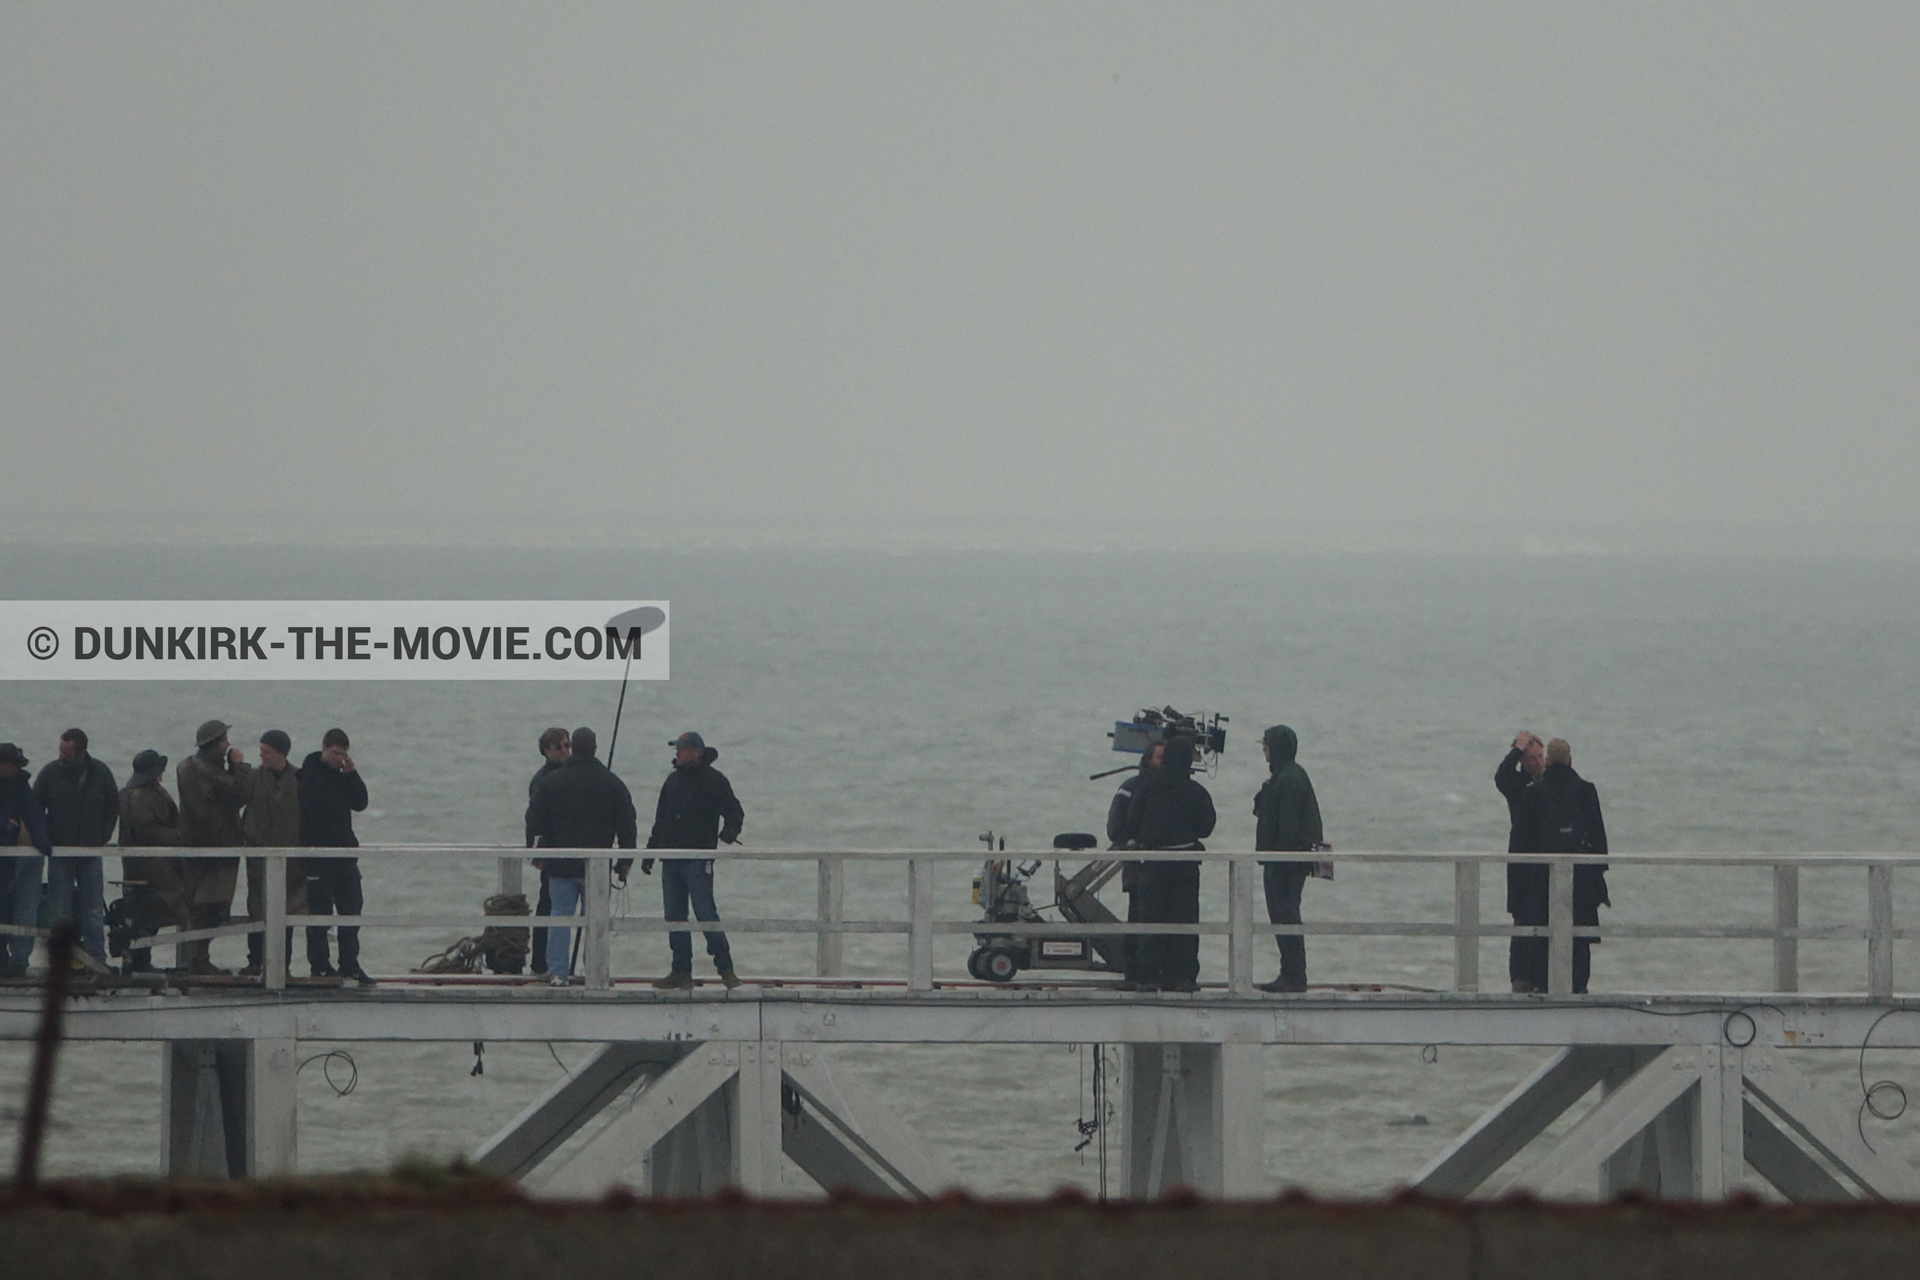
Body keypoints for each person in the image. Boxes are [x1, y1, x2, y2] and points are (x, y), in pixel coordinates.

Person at [526, 726, 637, 985]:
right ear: (595, 748)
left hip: (561, 866)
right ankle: (595, 971)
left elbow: (534, 820)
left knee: (560, 918)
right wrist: (624, 862)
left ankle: (557, 973)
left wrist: (536, 853)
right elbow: (627, 824)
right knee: (596, 922)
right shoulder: (612, 782)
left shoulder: (551, 782)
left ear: (573, 747)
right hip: (596, 868)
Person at [642, 731, 744, 990]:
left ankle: (726, 969)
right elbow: (660, 821)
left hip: (699, 859)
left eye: (682, 748)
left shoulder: (714, 780)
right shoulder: (672, 781)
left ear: (697, 751)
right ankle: (680, 971)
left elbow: (734, 811)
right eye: (677, 748)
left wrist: (729, 833)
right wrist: (651, 853)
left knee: (705, 912)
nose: (677, 753)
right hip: (671, 858)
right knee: (674, 915)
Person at [1508, 737, 1610, 994]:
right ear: (1571, 760)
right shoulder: (1587, 791)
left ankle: (1544, 986)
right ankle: (1578, 988)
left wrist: (1519, 889)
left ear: (1549, 762)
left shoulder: (1533, 793)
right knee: (1579, 937)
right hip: (1581, 879)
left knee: (1543, 938)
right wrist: (1596, 875)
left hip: (1540, 880)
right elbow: (1599, 840)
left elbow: (1519, 843)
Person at [1119, 735, 1215, 992]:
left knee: (1151, 920)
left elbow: (1132, 824)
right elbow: (1206, 827)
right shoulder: (1196, 791)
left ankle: (1149, 977)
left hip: (1153, 864)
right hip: (1185, 864)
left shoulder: (1147, 788)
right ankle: (1183, 977)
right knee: (1184, 920)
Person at [33, 728, 118, 970]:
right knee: (59, 911)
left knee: (93, 910)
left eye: (66, 752)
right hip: (60, 851)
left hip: (91, 851)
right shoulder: (49, 773)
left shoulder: (100, 772)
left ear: (81, 751)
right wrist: (46, 837)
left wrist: (104, 834)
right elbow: (36, 804)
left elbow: (113, 803)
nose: (61, 756)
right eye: (60, 750)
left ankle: (96, 960)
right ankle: (60, 963)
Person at [175, 719, 252, 974]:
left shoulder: (187, 767)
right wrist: (239, 765)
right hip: (218, 849)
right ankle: (198, 961)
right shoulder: (210, 770)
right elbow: (241, 793)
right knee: (211, 907)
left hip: (197, 848)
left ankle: (194, 959)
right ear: (214, 744)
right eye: (224, 740)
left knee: (199, 907)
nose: (228, 744)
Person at [1253, 724, 1323, 994]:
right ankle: (1291, 972)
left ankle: (1293, 975)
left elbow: (1289, 826)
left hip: (1285, 864)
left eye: (1266, 745)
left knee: (1285, 916)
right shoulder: (1288, 775)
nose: (1264, 750)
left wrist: (1278, 857)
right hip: (1284, 862)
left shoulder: (1288, 779)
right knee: (1284, 916)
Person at [300, 727, 371, 984]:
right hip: (319, 856)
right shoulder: (308, 776)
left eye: (342, 754)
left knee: (351, 910)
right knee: (320, 914)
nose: (337, 758)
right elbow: (315, 815)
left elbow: (360, 802)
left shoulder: (342, 776)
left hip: (344, 856)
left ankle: (349, 964)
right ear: (324, 748)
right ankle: (319, 965)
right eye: (334, 753)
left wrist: (352, 774)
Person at [117, 749, 191, 974]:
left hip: (139, 865)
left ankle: (137, 960)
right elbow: (148, 830)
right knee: (154, 910)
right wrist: (182, 836)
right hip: (152, 867)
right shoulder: (142, 796)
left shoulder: (130, 793)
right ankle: (139, 961)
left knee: (141, 914)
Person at [240, 729, 305, 978]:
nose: (262, 755)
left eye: (267, 751)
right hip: (258, 855)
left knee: (286, 910)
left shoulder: (299, 778)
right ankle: (255, 960)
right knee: (256, 908)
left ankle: (283, 964)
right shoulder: (254, 778)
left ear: (280, 753)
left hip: (291, 858)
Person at [1496, 730, 1548, 992]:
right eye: (1531, 759)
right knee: (1522, 921)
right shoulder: (1517, 785)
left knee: (1548, 919)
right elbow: (1501, 776)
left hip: (1548, 862)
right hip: (1522, 863)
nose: (1539, 763)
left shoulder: (1552, 784)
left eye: (1541, 757)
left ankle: (1545, 977)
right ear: (1522, 763)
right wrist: (1516, 749)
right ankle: (1521, 978)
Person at [1107, 742, 1162, 989]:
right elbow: (1115, 828)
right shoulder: (1130, 788)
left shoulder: (1167, 789)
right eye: (1161, 756)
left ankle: (1152, 973)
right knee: (1138, 919)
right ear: (1148, 759)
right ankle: (1135, 974)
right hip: (1138, 869)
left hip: (1162, 870)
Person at [0, 743, 52, 978]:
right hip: (6, 851)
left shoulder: (20, 784)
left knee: (7, 904)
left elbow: (32, 811)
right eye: (13, 765)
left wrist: (42, 841)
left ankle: (12, 960)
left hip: (8, 857)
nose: (16, 769)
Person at [524, 726, 571, 975]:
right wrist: (536, 853)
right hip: (551, 854)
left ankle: (559, 964)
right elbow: (534, 821)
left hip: (567, 851)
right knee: (547, 907)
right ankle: (541, 963)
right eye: (558, 747)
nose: (565, 751)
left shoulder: (572, 775)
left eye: (567, 745)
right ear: (546, 751)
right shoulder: (542, 780)